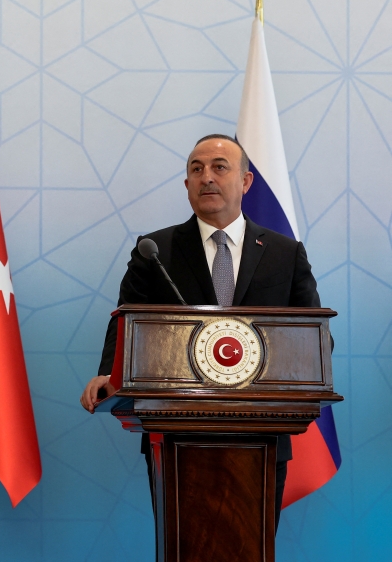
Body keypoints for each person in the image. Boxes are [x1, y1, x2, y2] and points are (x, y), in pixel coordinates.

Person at [79, 133, 324, 531]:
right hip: (177, 435)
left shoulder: (284, 253)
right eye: (196, 169)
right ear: (187, 185)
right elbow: (125, 323)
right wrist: (111, 373)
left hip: (262, 435)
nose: (206, 177)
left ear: (245, 182)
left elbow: (315, 337)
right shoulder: (155, 250)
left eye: (219, 167)